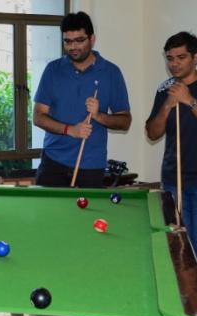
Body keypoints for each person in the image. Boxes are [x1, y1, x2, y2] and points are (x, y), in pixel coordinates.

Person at [146, 32, 197, 314]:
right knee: (178, 249)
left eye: (181, 58)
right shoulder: (164, 90)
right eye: (170, 58)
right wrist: (168, 105)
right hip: (174, 181)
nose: (174, 64)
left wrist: (190, 101)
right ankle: (186, 313)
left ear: (196, 57)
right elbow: (152, 132)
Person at [33, 11, 132, 188]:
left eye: (79, 40)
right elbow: (38, 116)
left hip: (91, 166)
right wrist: (70, 130)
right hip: (53, 162)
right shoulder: (53, 70)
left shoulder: (111, 73)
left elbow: (125, 121)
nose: (73, 47)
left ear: (92, 39)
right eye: (67, 41)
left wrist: (98, 115)